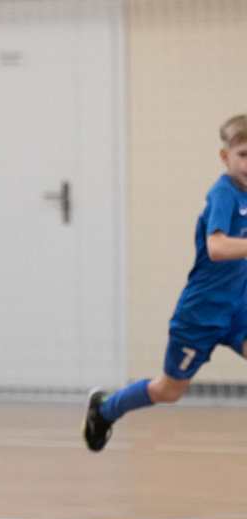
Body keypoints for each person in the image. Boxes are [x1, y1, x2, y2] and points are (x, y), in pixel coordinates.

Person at [83, 114, 247, 451]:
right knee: (168, 391)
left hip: (237, 309)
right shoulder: (224, 194)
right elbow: (216, 248)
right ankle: (104, 410)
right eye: (243, 154)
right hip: (200, 314)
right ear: (224, 156)